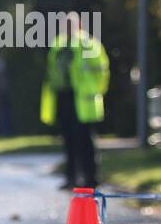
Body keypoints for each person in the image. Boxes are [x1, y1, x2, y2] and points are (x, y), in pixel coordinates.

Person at [41, 13, 110, 190]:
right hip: (64, 98)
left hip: (84, 100)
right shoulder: (58, 45)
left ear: (79, 25)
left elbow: (102, 70)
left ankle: (91, 179)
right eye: (66, 25)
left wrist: (96, 90)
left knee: (86, 141)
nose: (68, 28)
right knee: (68, 141)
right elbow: (52, 72)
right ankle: (71, 178)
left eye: (71, 24)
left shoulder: (88, 44)